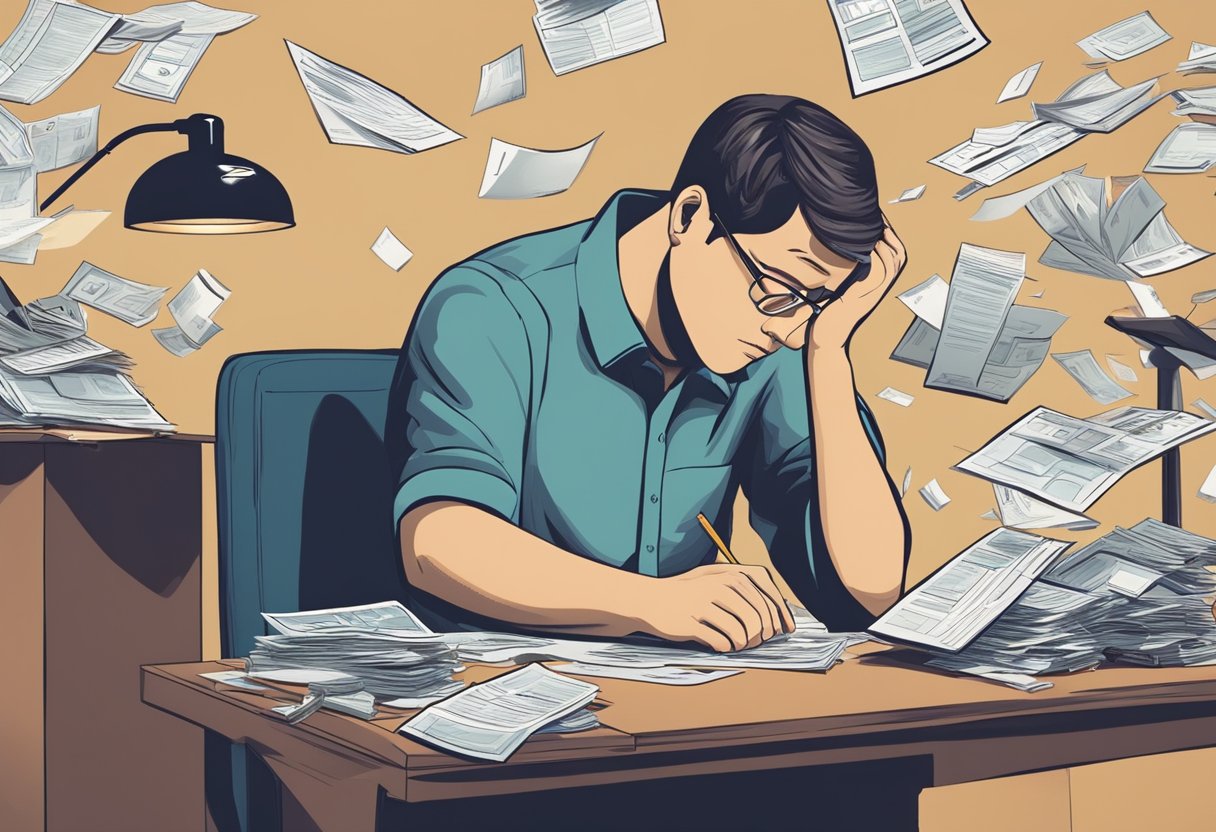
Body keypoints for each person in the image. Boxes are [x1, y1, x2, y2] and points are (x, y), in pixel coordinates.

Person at [385, 93, 910, 652]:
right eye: (779, 291)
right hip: (495, 701)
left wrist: (830, 350)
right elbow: (438, 541)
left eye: (818, 302)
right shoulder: (493, 306)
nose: (790, 330)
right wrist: (652, 604)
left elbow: (869, 593)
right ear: (690, 215)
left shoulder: (782, 341)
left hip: (676, 707)